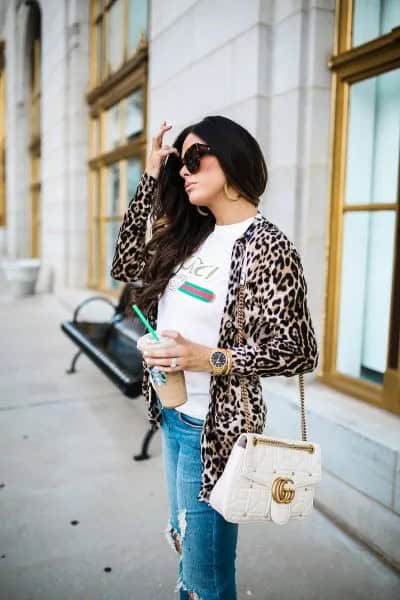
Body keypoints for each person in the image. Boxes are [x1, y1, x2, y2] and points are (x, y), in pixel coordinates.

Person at [110, 115, 319, 599]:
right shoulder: (193, 233)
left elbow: (297, 351)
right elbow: (124, 265)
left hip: (216, 430)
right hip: (174, 413)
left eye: (193, 158)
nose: (183, 170)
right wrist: (148, 178)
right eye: (177, 162)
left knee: (207, 581)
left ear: (231, 159)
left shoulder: (268, 246)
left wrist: (207, 358)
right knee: (186, 548)